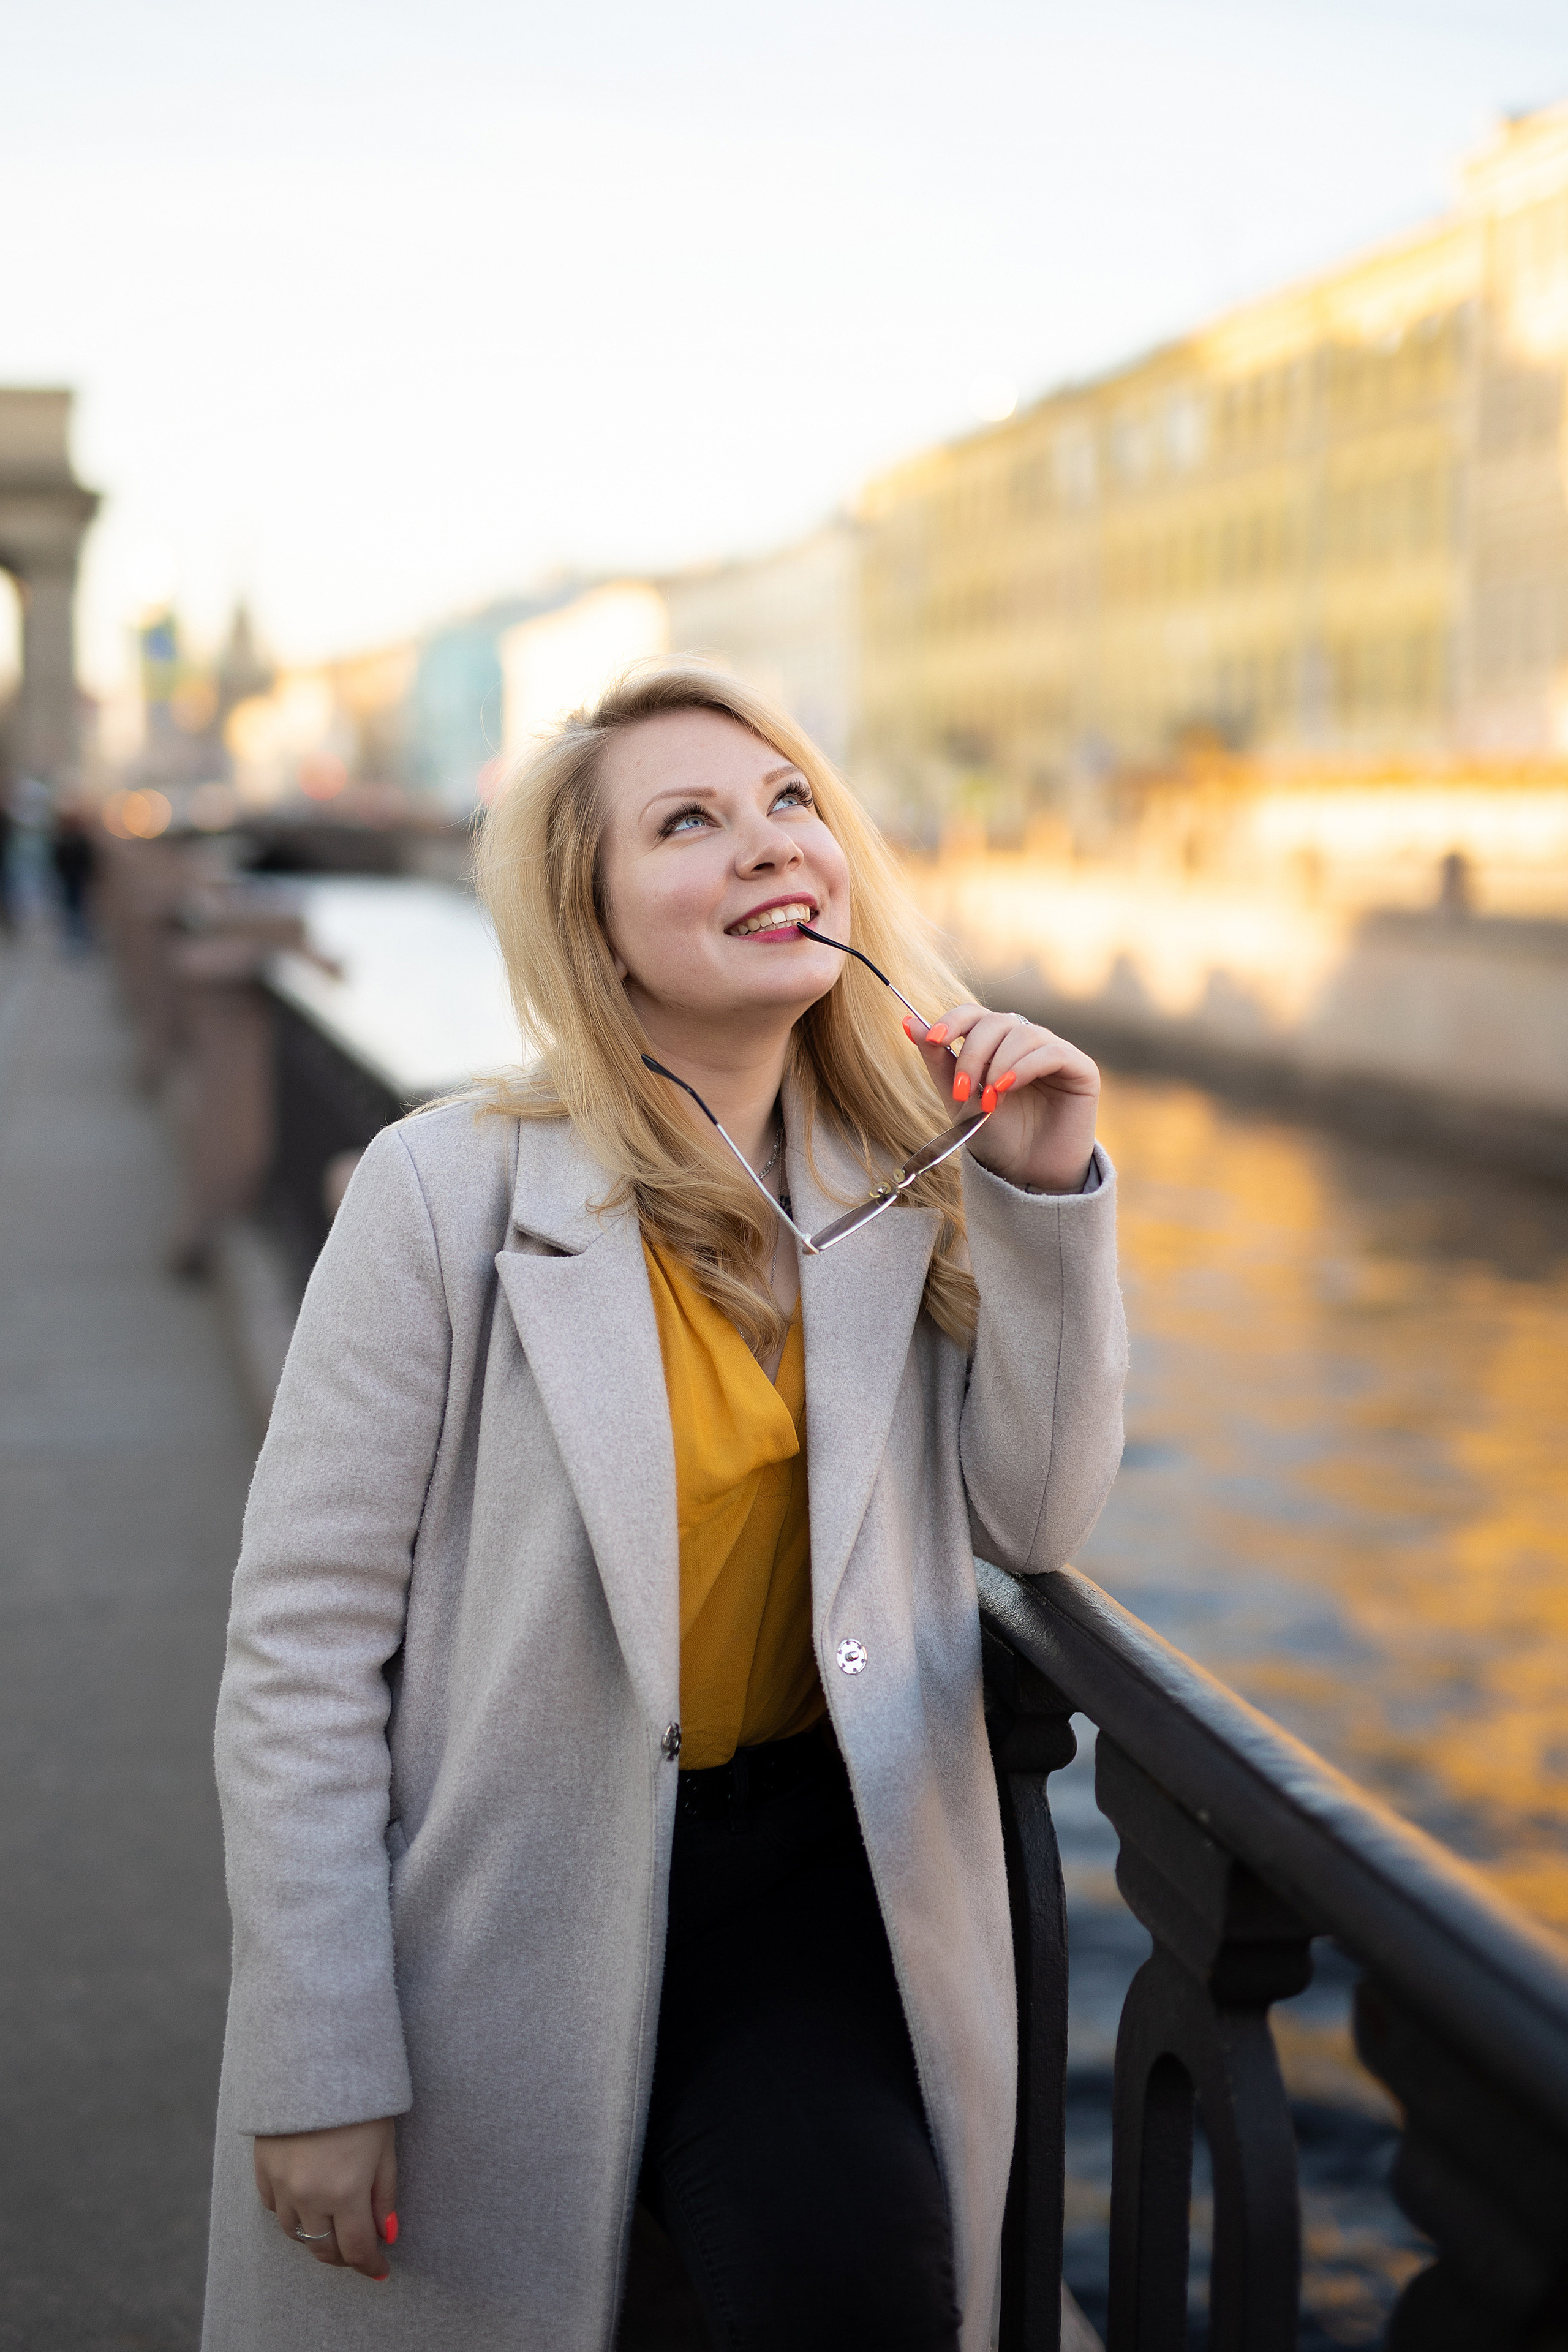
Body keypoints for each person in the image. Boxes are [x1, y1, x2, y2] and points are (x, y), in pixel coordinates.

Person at [200, 663, 1126, 2352]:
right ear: (600, 928)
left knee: (862, 2298)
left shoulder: (899, 1181)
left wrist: (1045, 1188)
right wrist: (317, 2050)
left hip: (808, 1888)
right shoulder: (443, 1194)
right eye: (689, 824)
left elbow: (1039, 1519)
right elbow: (300, 1652)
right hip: (507, 1901)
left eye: (790, 805)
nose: (770, 847)